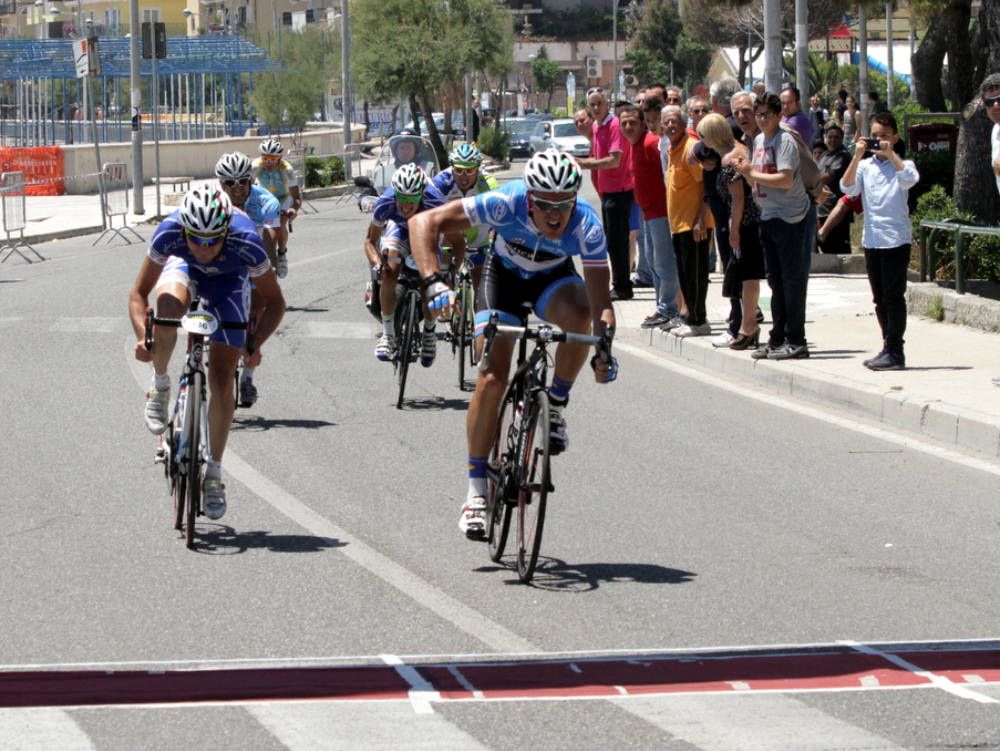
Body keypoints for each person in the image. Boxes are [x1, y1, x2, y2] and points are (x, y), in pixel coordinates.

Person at [407, 150, 618, 537]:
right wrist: (433, 279)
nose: (555, 216)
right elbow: (424, 221)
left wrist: (604, 347)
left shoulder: (586, 225)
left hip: (551, 280)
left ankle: (554, 404)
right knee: (490, 376)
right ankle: (475, 492)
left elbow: (602, 301)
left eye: (564, 205)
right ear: (529, 197)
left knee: (581, 316)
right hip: (500, 279)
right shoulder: (505, 202)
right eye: (545, 205)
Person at [129, 183, 286, 520]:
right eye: (195, 239)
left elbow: (274, 303)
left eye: (213, 239)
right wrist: (144, 338)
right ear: (183, 229)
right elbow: (138, 294)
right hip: (183, 272)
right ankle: (160, 387)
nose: (203, 247)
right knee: (167, 304)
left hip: (229, 282)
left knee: (220, 379)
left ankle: (213, 475)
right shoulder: (168, 233)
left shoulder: (245, 239)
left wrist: (253, 344)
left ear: (225, 231)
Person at [733, 92, 812, 360]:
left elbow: (785, 179)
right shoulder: (758, 140)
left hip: (789, 217)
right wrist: (747, 171)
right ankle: (777, 337)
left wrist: (750, 173)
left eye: (768, 114)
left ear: (779, 115)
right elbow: (758, 176)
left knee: (791, 281)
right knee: (776, 282)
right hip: (767, 215)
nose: (762, 119)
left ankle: (796, 340)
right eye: (760, 114)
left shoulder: (785, 140)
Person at [841, 112, 919, 371]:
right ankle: (887, 345)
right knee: (879, 298)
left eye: (884, 136)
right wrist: (857, 154)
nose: (879, 141)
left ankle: (896, 351)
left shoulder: (903, 164)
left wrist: (891, 154)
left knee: (894, 296)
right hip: (872, 240)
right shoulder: (865, 166)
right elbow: (848, 187)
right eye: (875, 136)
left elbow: (909, 179)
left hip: (896, 239)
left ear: (895, 137)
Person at [364, 163, 449, 364]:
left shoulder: (435, 203)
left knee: (429, 282)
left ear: (422, 194)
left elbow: (449, 240)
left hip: (426, 233)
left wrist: (445, 269)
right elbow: (369, 241)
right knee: (389, 272)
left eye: (412, 200)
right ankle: (388, 335)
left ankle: (429, 332)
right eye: (402, 198)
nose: (406, 206)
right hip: (399, 231)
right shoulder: (385, 202)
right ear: (395, 195)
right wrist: (377, 264)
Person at [215, 151, 282, 407]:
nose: (237, 188)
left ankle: (248, 376)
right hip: (223, 259)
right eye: (230, 183)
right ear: (221, 184)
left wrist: (268, 274)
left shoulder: (266, 202)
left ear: (250, 181)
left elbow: (270, 239)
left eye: (243, 181)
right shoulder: (214, 203)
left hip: (255, 259)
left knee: (256, 309)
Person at [697, 113, 766, 350]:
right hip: (750, 221)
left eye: (703, 135)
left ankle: (747, 326)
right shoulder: (740, 148)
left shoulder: (730, 158)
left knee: (746, 276)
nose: (701, 140)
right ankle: (748, 325)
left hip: (745, 223)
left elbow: (738, 199)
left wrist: (734, 230)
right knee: (747, 277)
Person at [619, 102, 679, 330]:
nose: (627, 127)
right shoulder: (633, 146)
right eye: (623, 123)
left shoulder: (651, 143)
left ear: (642, 123)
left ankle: (668, 308)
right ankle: (662, 306)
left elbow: (669, 170)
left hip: (662, 212)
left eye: (632, 123)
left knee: (664, 262)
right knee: (655, 263)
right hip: (648, 213)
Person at [577, 87, 635, 301]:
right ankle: (618, 284)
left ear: (607, 104)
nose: (595, 108)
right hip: (607, 192)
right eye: (592, 105)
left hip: (619, 190)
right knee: (612, 242)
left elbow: (614, 160)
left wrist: (586, 163)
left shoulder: (614, 125)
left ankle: (623, 286)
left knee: (618, 242)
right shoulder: (596, 126)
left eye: (599, 103)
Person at [662, 104, 714, 337]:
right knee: (685, 273)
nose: (671, 125)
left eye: (675, 121)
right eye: (667, 122)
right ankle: (690, 316)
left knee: (695, 274)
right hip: (679, 225)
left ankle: (698, 320)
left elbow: (706, 185)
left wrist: (701, 219)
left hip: (695, 225)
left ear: (685, 124)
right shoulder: (672, 149)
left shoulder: (690, 149)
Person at [431, 142, 499, 290]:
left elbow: (499, 219)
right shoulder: (440, 183)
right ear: (452, 167)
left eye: (469, 170)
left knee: (480, 283)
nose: (463, 176)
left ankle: (478, 308)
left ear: (478, 169)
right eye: (459, 170)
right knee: (443, 281)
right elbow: (430, 216)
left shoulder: (489, 185)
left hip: (478, 236)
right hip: (449, 235)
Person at [252, 138, 301, 279]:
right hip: (262, 200)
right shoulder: (255, 166)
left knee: (280, 224)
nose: (268, 162)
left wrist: (293, 210)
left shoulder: (288, 170)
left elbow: (296, 197)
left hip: (282, 200)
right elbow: (245, 189)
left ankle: (282, 253)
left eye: (272, 158)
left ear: (279, 158)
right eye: (265, 158)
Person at [815, 123, 853, 254]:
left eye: (836, 137)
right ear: (825, 138)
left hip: (837, 213)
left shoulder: (843, 155)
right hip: (822, 210)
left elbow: (827, 177)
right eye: (830, 137)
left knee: (839, 253)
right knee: (825, 252)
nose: (833, 140)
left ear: (842, 138)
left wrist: (806, 183)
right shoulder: (825, 154)